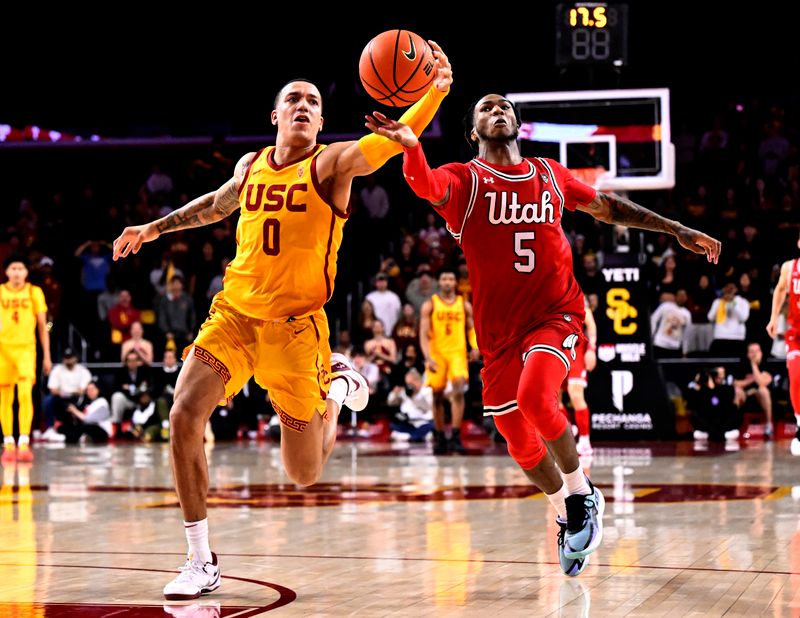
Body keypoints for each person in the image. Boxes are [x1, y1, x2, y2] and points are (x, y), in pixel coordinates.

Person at [112, 43, 453, 600]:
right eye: (292, 98)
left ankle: (337, 390)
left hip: (297, 332)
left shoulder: (331, 164)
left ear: (321, 120)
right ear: (274, 115)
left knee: (303, 474)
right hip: (236, 317)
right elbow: (216, 205)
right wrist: (154, 228)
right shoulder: (250, 166)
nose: (303, 105)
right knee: (182, 415)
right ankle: (201, 561)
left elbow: (389, 145)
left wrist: (434, 89)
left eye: (313, 101)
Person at [367, 93, 721, 577]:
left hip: (557, 315)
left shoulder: (550, 173)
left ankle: (582, 494)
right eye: (485, 107)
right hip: (498, 337)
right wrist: (411, 145)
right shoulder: (465, 180)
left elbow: (609, 207)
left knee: (537, 399)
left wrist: (675, 228)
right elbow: (424, 183)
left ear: (517, 122)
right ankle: (564, 510)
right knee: (517, 440)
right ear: (474, 131)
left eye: (504, 106)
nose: (496, 109)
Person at [0, 255, 52, 462]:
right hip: (3, 351)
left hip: (26, 350)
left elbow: (42, 327)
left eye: (20, 268)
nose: (16, 272)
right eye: (13, 268)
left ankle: (23, 441)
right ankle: (8, 443)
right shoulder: (1, 292)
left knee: (24, 395)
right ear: (6, 272)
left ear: (27, 272)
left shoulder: (34, 292)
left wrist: (46, 356)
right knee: (5, 398)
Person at [419, 269, 477, 454]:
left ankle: (456, 435)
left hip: (457, 353)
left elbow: (471, 328)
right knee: (437, 396)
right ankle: (439, 436)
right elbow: (423, 334)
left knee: (459, 391)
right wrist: (428, 357)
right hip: (437, 354)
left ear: (455, 283)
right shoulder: (430, 305)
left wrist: (475, 346)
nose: (447, 282)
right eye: (444, 278)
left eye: (450, 278)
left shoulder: (464, 304)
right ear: (439, 282)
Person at [766, 244, 800, 455]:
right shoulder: (790, 267)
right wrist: (773, 319)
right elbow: (780, 289)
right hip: (796, 334)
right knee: (796, 377)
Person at [560, 295, 597, 456]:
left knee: (576, 394)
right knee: (553, 399)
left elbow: (591, 326)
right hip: (558, 351)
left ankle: (585, 441)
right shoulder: (550, 294)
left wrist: (591, 350)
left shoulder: (577, 295)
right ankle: (569, 427)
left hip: (577, 351)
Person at [733, 342, 774, 439]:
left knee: (763, 390)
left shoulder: (767, 364)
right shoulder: (742, 365)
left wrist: (754, 365)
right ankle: (733, 425)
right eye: (752, 352)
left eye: (757, 351)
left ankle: (769, 425)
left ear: (761, 353)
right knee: (737, 391)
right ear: (747, 354)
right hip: (746, 395)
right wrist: (753, 379)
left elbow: (762, 383)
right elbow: (736, 383)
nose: (755, 354)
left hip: (762, 399)